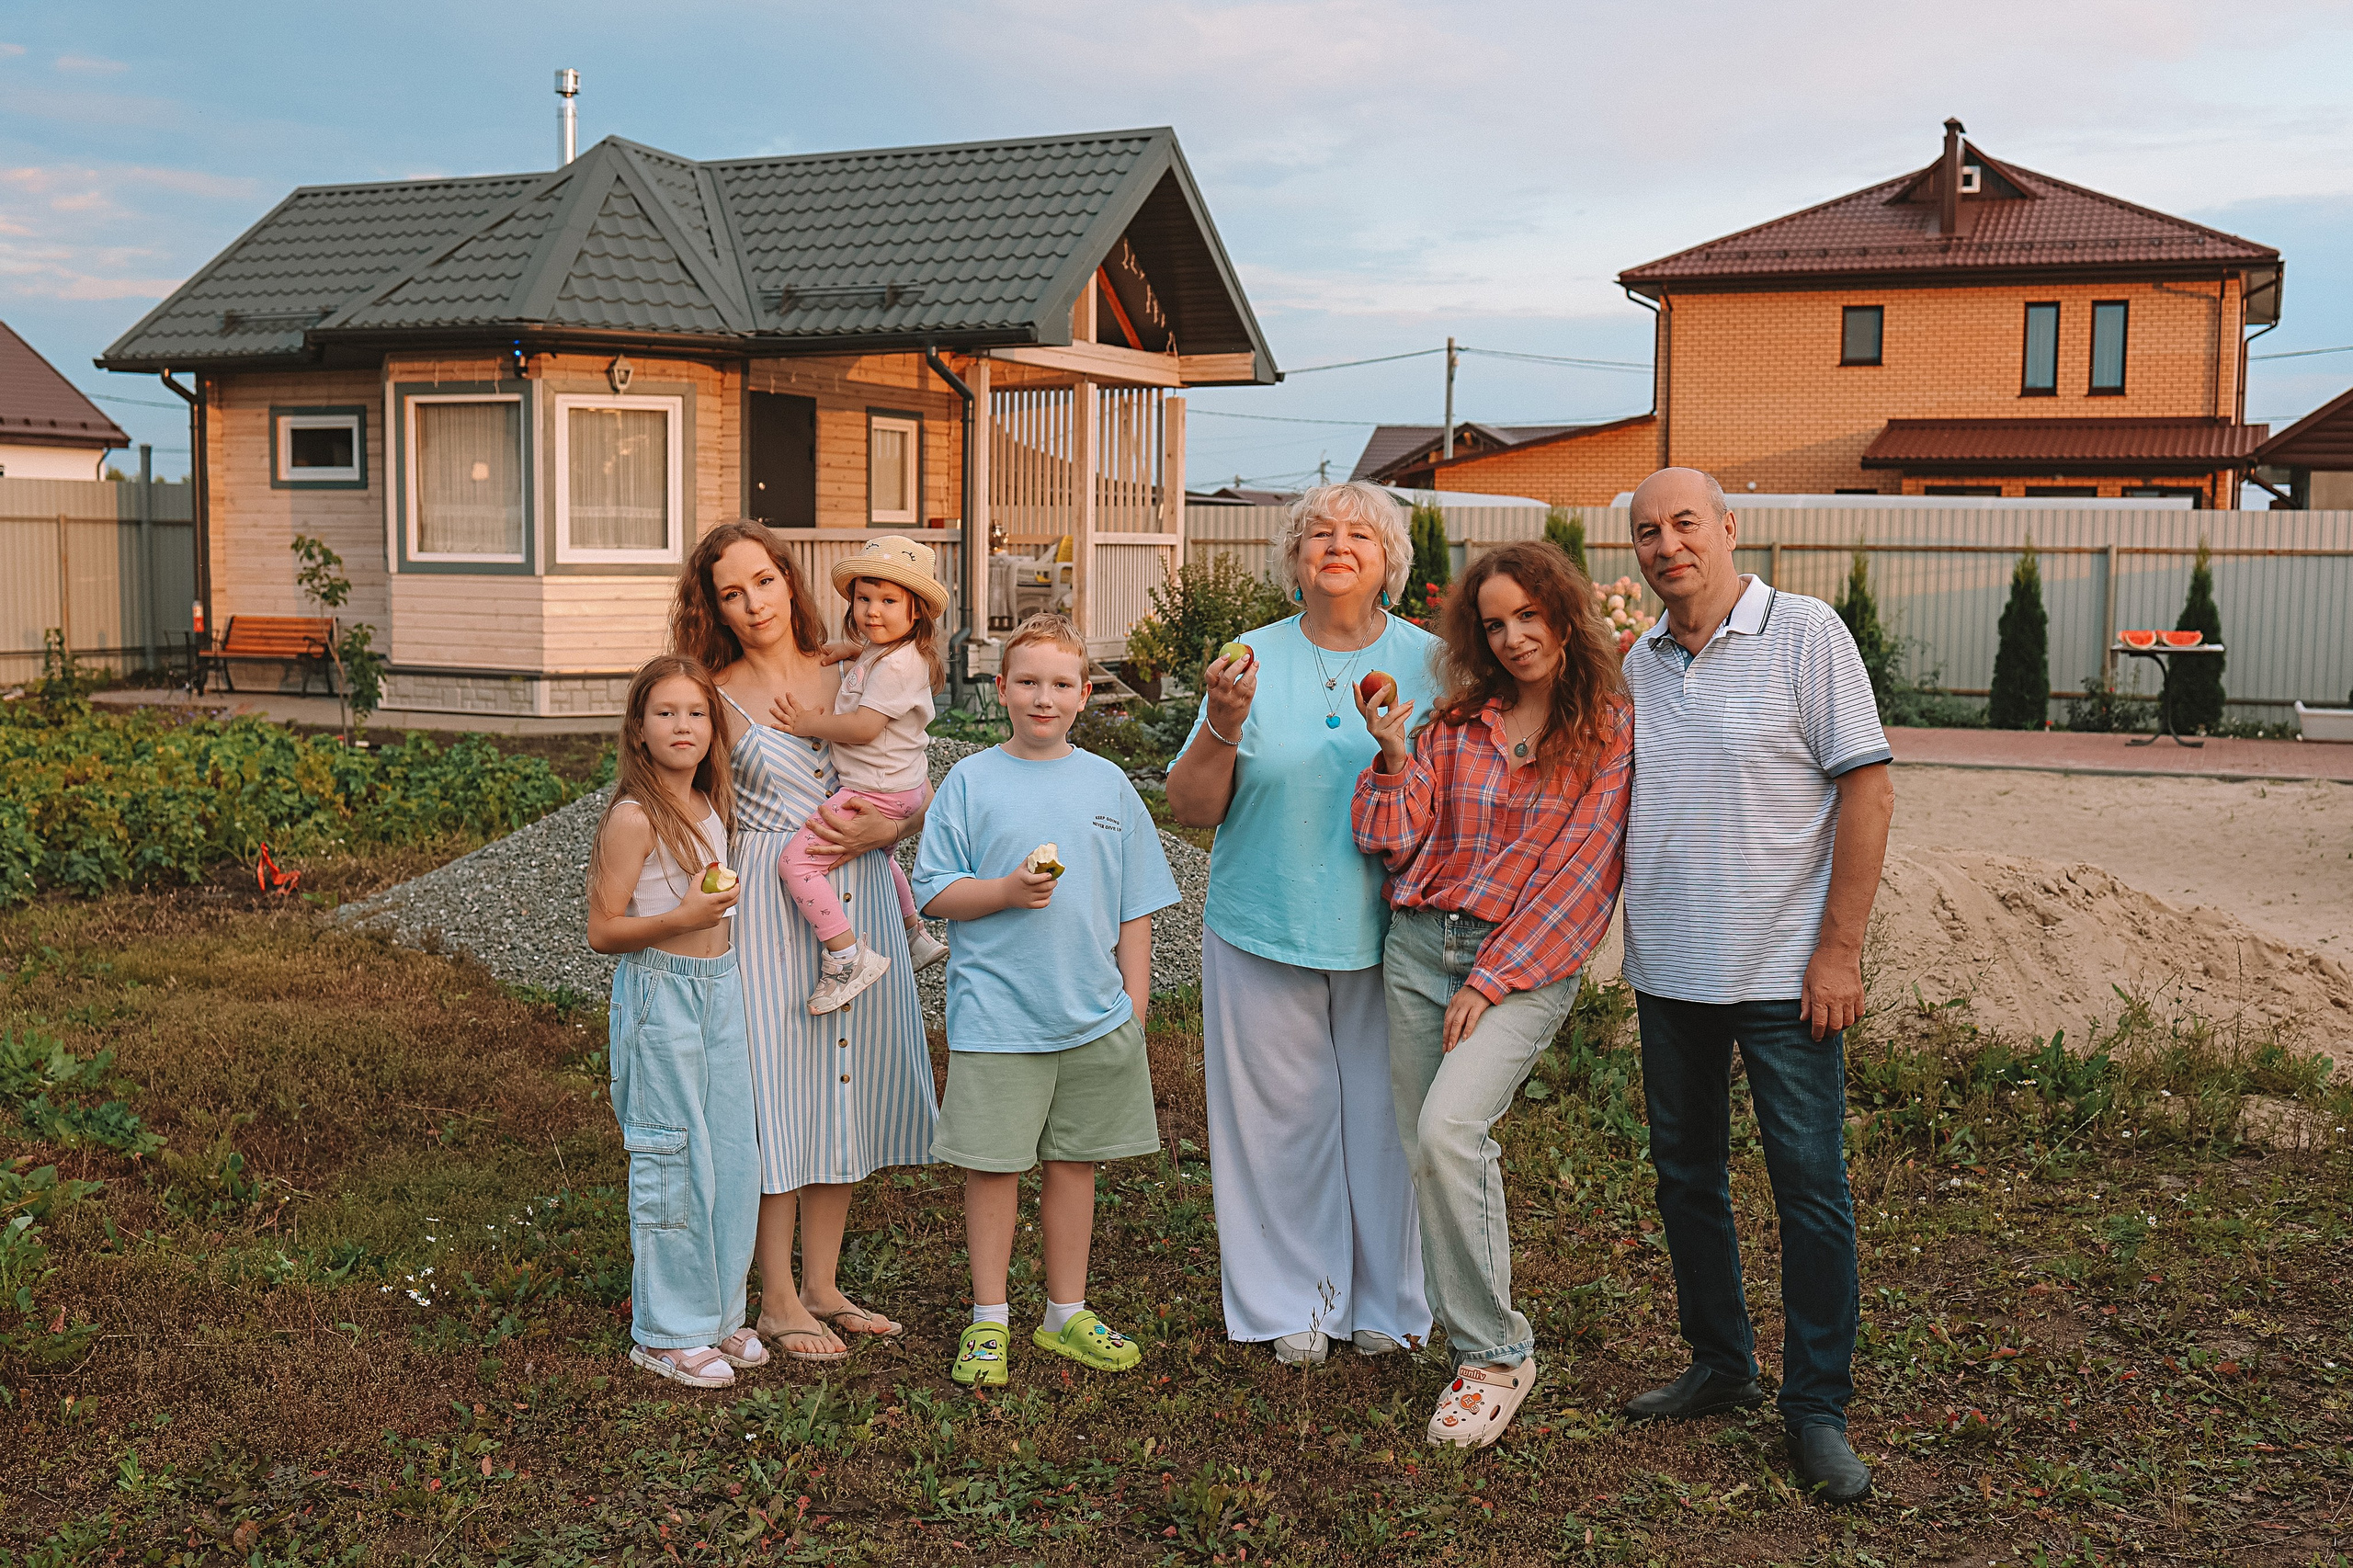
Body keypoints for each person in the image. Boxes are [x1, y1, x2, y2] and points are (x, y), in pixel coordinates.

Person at [1616, 467, 1895, 1504]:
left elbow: (1866, 788)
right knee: (1687, 1177)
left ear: (1728, 528)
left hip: (1785, 973)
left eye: (1684, 522)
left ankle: (1815, 1406)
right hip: (1670, 970)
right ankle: (1721, 1362)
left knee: (1808, 1191)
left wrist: (1839, 949)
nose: (1666, 543)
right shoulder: (1637, 662)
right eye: (1646, 531)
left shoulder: (1806, 632)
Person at [1352, 540, 1631, 1447]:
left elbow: (1581, 875)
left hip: (1520, 964)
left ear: (1564, 613)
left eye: (1528, 616)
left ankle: (1495, 1355)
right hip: (1416, 946)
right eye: (1494, 622)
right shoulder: (1456, 720)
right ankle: (1469, 1337)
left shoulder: (1607, 730)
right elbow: (1394, 841)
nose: (1512, 637)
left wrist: (1492, 975)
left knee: (1448, 1127)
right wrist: (1394, 756)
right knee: (1427, 1145)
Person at [1164, 480, 1438, 1366]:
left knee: (1388, 1120)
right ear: (1294, 560)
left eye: (1360, 532)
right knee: (1281, 1120)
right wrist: (1220, 723)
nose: (1337, 542)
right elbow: (1192, 807)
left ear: (1389, 560)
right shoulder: (1246, 658)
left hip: (1394, 928)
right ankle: (1295, 1303)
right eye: (1318, 531)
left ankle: (1387, 1305)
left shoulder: (1435, 664)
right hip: (1263, 919)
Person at [670, 521, 938, 1363]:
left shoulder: (852, 666)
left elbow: (905, 773)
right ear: (713, 608)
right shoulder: (714, 692)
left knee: (844, 1088)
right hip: (773, 910)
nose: (753, 605)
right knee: (778, 1096)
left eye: (764, 581)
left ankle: (822, 1282)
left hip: (858, 897)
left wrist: (906, 820)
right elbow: (691, 809)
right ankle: (777, 1298)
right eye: (730, 593)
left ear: (790, 579)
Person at [911, 614, 1180, 1387]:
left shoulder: (1108, 785)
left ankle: (1065, 1311)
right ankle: (988, 1320)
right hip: (999, 1016)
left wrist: (1135, 1000)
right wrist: (1004, 891)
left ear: (1085, 695)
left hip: (1093, 1015)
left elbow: (1136, 904)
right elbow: (934, 892)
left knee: (1075, 1162)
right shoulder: (971, 781)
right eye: (1026, 681)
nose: (1043, 697)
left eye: (1061, 684)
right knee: (993, 1166)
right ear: (1000, 690)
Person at [585, 654, 765, 1388]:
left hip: (719, 988)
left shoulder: (708, 804)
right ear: (638, 728)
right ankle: (666, 1333)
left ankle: (719, 1317)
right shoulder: (634, 817)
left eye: (697, 712)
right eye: (666, 712)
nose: (683, 725)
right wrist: (682, 916)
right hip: (661, 993)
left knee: (730, 1155)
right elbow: (601, 929)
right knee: (674, 1157)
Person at [772, 535, 952, 1015]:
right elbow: (869, 661)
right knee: (882, 860)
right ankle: (913, 934)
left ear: (916, 612)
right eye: (863, 598)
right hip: (904, 789)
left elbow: (864, 726)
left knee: (797, 864)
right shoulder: (884, 652)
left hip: (876, 794)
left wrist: (809, 723)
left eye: (889, 601)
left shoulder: (898, 666)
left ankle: (846, 957)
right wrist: (845, 652)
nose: (873, 611)